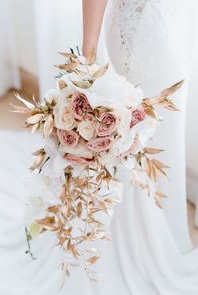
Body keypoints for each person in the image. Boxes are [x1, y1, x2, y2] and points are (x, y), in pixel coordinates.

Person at [63, 0, 198, 294]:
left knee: (143, 147)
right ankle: (139, 250)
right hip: (153, 35)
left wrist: (88, 54)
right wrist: (87, 58)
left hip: (164, 27)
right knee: (141, 148)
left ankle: (143, 242)